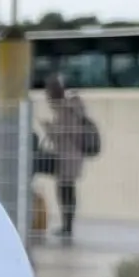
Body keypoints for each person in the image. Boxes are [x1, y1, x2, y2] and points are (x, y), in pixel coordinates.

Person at [43, 75, 89, 241]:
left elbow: (63, 134)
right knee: (67, 191)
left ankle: (67, 226)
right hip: (72, 156)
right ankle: (67, 225)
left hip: (67, 157)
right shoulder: (73, 108)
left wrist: (49, 128)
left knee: (65, 191)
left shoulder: (66, 110)